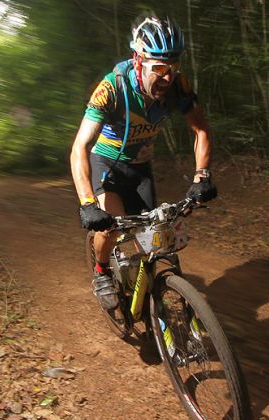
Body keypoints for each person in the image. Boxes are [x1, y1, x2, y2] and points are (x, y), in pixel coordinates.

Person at [70, 15, 217, 310]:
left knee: (152, 241)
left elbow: (200, 129)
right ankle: (101, 271)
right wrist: (87, 203)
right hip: (106, 165)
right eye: (159, 68)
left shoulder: (178, 86)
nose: (167, 77)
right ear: (137, 60)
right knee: (109, 228)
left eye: (173, 68)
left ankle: (149, 298)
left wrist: (202, 176)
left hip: (140, 169)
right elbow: (79, 148)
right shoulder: (112, 88)